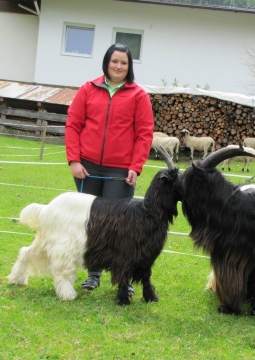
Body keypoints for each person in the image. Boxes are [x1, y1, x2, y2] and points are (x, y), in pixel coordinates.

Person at [65, 43, 154, 293]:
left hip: (120, 171)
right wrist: (74, 160)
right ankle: (93, 273)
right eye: (114, 61)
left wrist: (136, 166)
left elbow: (144, 134)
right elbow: (73, 124)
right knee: (91, 223)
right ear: (106, 62)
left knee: (119, 227)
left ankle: (123, 279)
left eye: (123, 63)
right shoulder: (88, 89)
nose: (118, 66)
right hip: (87, 167)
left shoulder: (139, 95)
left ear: (129, 67)